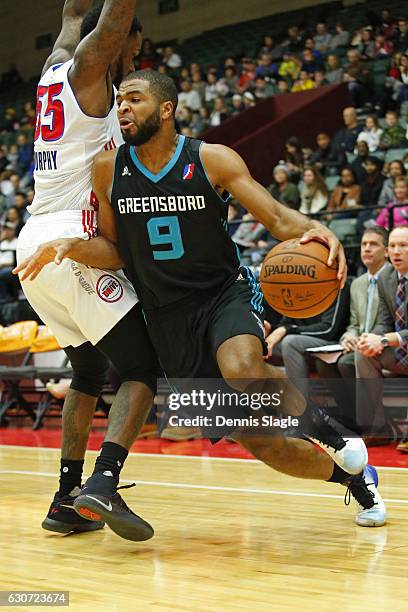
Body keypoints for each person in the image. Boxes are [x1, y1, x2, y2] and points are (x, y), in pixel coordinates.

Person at [17, 70, 385, 528]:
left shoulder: (212, 159)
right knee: (266, 447)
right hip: (168, 320)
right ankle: (355, 482)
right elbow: (115, 252)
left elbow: (274, 216)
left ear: (167, 109)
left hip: (222, 294)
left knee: (242, 369)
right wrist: (72, 247)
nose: (123, 109)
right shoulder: (108, 169)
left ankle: (333, 435)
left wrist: (316, 229)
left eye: (135, 100)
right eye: (121, 102)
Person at [15, 0, 161, 542]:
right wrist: (119, 22)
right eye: (135, 48)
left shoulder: (54, 67)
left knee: (88, 372)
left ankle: (65, 500)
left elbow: (73, 13)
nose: (136, 56)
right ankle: (104, 480)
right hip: (70, 247)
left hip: (34, 246)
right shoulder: (86, 74)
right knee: (143, 368)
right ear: (116, 44)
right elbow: (109, 20)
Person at [316, 227, 390, 440]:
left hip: (381, 343)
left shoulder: (394, 279)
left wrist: (367, 339)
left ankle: (371, 423)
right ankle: (351, 419)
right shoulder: (357, 284)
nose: (367, 248)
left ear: (385, 252)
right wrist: (348, 337)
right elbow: (354, 323)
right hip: (360, 344)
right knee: (325, 362)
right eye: (364, 244)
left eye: (373, 244)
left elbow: (391, 322)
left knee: (350, 360)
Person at [356, 226, 408, 453]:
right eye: (393, 246)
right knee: (363, 353)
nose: (397, 251)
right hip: (398, 352)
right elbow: (385, 320)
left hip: (399, 344)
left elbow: (390, 335)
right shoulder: (387, 277)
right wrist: (372, 338)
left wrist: (386, 340)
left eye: (403, 246)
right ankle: (377, 429)